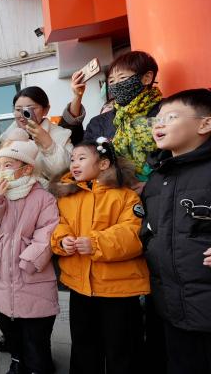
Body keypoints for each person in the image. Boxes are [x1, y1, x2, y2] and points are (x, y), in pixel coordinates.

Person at [50, 138, 149, 374]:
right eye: (72, 159)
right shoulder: (67, 196)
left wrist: (95, 243)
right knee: (84, 346)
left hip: (119, 289)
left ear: (103, 164)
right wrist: (63, 241)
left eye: (82, 158)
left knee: (122, 349)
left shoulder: (126, 196)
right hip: (80, 286)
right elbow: (58, 225)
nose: (74, 164)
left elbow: (133, 234)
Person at [141, 89, 211, 374]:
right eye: (157, 120)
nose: (160, 125)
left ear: (205, 124)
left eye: (171, 117)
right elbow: (147, 230)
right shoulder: (157, 178)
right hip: (169, 306)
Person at [0, 132, 60, 374]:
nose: (2, 170)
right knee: (6, 321)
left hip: (32, 273)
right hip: (1, 271)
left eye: (9, 165)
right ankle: (17, 359)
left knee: (36, 329)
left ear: (25, 169)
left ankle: (38, 366)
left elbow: (48, 232)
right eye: (0, 165)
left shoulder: (43, 197)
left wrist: (30, 261)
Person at [62, 51, 161, 182]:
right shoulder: (100, 122)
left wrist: (151, 185)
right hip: (114, 195)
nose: (116, 84)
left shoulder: (164, 112)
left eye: (122, 78)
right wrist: (77, 97)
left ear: (147, 77)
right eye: (112, 81)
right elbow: (79, 149)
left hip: (160, 192)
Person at [0, 86, 73, 183]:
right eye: (18, 109)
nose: (22, 115)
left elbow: (67, 173)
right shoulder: (8, 136)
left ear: (46, 109)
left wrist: (49, 145)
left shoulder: (61, 135)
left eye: (30, 109)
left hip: (48, 195)